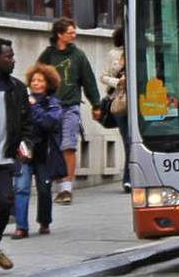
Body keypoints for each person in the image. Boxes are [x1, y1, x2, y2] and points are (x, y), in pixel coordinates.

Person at [37, 18, 101, 205]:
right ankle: (59, 186)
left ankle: (67, 190)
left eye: (74, 31)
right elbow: (37, 78)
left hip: (71, 107)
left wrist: (96, 105)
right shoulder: (48, 55)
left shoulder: (78, 56)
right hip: (50, 108)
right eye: (70, 32)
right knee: (55, 147)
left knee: (68, 145)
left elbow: (89, 81)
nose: (74, 34)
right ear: (59, 34)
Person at [0, 39, 35, 269]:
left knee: (4, 203)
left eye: (13, 55)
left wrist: (26, 144)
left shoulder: (17, 88)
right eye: (8, 56)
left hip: (4, 158)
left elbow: (27, 123)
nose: (13, 60)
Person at [12, 64, 64, 238]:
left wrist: (33, 107)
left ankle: (44, 221)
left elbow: (50, 122)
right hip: (25, 151)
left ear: (48, 83)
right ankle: (21, 227)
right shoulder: (21, 100)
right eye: (33, 80)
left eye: (40, 80)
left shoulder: (54, 103)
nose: (36, 83)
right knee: (21, 188)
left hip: (44, 153)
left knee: (44, 188)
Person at [100, 26, 130, 192]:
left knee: (135, 141)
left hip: (139, 101)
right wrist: (117, 82)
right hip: (119, 101)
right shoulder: (113, 54)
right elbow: (103, 76)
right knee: (127, 140)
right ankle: (128, 179)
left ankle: (133, 177)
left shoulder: (142, 49)